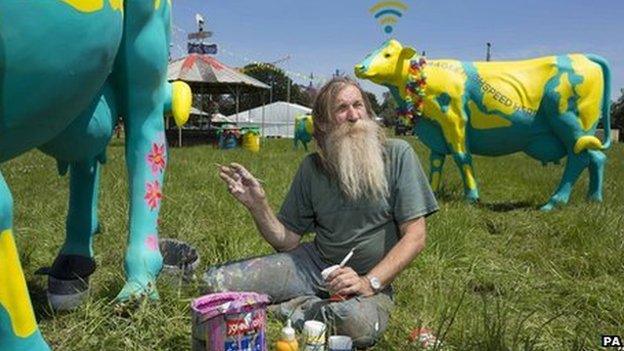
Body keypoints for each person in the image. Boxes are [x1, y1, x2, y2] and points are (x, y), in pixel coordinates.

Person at [203, 76, 438, 348]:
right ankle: (301, 305)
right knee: (216, 282)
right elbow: (287, 241)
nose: (354, 116)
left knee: (352, 324)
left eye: (358, 105)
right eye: (342, 109)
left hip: (372, 281)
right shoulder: (312, 167)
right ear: (323, 124)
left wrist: (368, 282)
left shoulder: (398, 154)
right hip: (315, 265)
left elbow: (415, 237)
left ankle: (287, 308)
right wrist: (259, 205)